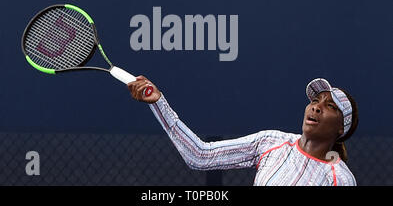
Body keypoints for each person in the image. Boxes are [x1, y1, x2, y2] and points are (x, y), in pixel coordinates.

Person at [127, 77, 358, 186]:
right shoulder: (271, 142)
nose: (316, 106)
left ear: (341, 128)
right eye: (316, 100)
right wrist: (158, 103)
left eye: (330, 106)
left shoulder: (340, 179)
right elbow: (200, 155)